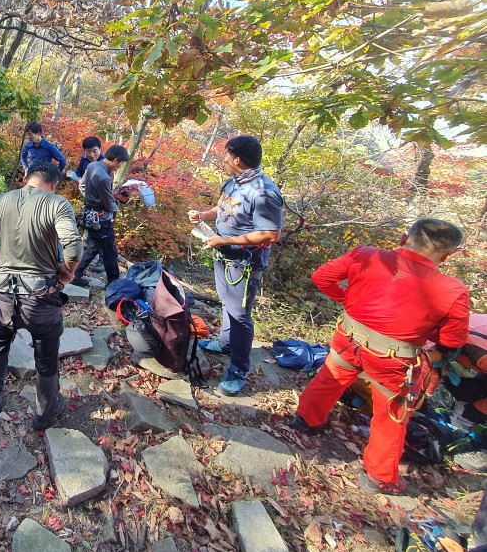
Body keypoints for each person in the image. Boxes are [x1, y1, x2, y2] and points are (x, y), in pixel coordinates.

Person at [292, 218, 469, 494]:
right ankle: (380, 476)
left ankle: (305, 420)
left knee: (330, 378)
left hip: (349, 339)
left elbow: (322, 277)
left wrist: (348, 301)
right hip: (394, 359)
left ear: (403, 238)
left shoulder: (366, 255)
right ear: (445, 256)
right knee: (391, 416)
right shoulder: (453, 290)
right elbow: (451, 340)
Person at [0, 163, 82, 431]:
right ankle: (44, 414)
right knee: (46, 357)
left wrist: (1, 257)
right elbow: (74, 249)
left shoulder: (1, 200)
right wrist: (67, 271)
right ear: (54, 185)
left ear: (26, 178)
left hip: (5, 294)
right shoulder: (57, 204)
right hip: (41, 299)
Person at [188, 135, 283, 397]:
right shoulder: (233, 183)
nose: (223, 161)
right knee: (227, 303)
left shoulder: (263, 192)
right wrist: (203, 215)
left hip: (245, 263)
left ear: (237, 159)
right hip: (224, 255)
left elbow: (270, 234)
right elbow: (223, 210)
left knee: (240, 315)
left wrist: (226, 239)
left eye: (226, 157)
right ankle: (227, 343)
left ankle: (239, 369)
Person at [71, 144, 129, 288]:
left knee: (92, 247)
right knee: (109, 251)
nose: (120, 167)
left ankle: (74, 274)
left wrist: (92, 198)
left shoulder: (93, 166)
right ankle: (113, 282)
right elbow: (109, 204)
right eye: (120, 163)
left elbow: (83, 185)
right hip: (101, 219)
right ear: (115, 160)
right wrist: (118, 202)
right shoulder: (103, 177)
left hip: (90, 214)